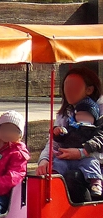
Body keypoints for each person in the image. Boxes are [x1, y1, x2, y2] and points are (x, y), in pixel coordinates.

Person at [36, 67, 103, 201]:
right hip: (67, 159)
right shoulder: (65, 113)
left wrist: (81, 152)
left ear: (89, 90)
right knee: (55, 173)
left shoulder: (98, 109)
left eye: (74, 87)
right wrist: (44, 160)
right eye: (66, 87)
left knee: (74, 177)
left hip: (95, 162)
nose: (68, 92)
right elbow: (54, 142)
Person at [51, 97, 103, 198]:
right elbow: (61, 139)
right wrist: (58, 133)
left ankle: (96, 182)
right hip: (67, 157)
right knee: (58, 163)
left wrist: (85, 150)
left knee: (91, 164)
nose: (82, 117)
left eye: (86, 115)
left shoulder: (94, 130)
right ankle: (54, 179)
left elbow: (99, 140)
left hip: (85, 157)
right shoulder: (71, 127)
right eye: (80, 114)